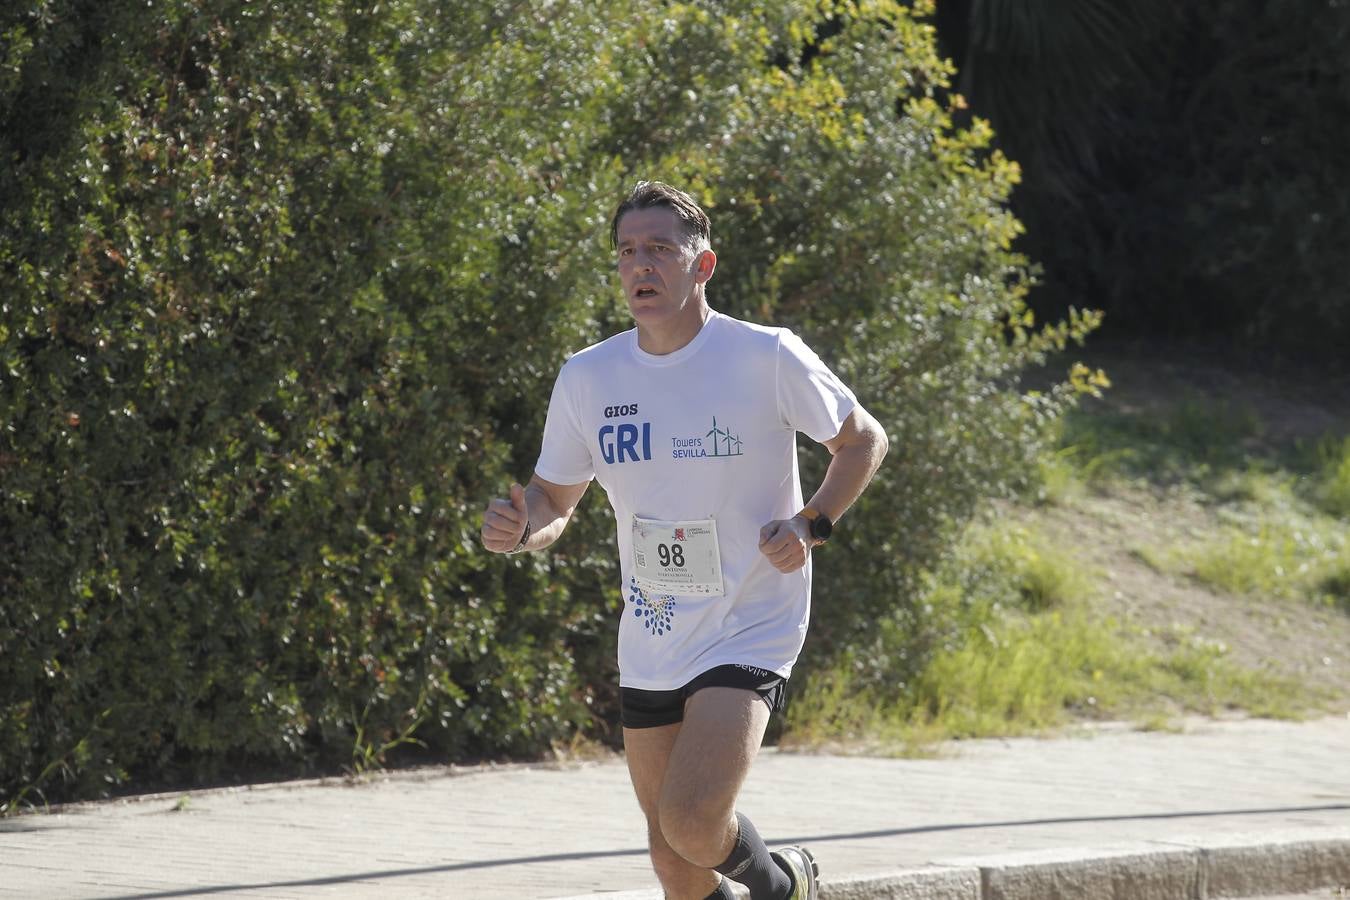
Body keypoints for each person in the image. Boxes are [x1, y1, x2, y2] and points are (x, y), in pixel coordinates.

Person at [481, 181, 888, 900]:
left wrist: (811, 522)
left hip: (751, 620)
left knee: (695, 821)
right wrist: (522, 529)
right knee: (675, 861)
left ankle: (784, 881)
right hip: (655, 627)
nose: (642, 265)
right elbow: (553, 499)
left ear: (702, 266)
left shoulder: (765, 357)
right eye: (629, 251)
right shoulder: (588, 377)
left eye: (661, 250)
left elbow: (862, 441)